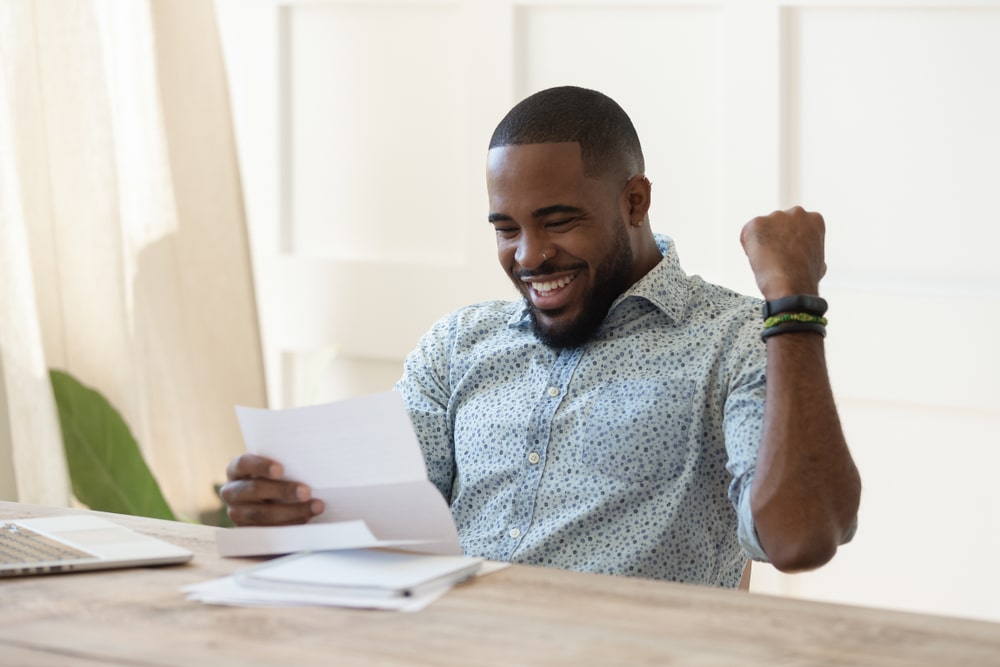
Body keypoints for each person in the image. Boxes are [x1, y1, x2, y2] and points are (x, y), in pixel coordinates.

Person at [221, 86, 861, 588]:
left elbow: (801, 536)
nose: (530, 256)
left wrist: (793, 303)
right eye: (506, 228)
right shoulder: (458, 344)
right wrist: (291, 507)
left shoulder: (738, 339)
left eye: (558, 221)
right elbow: (383, 515)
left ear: (634, 202)